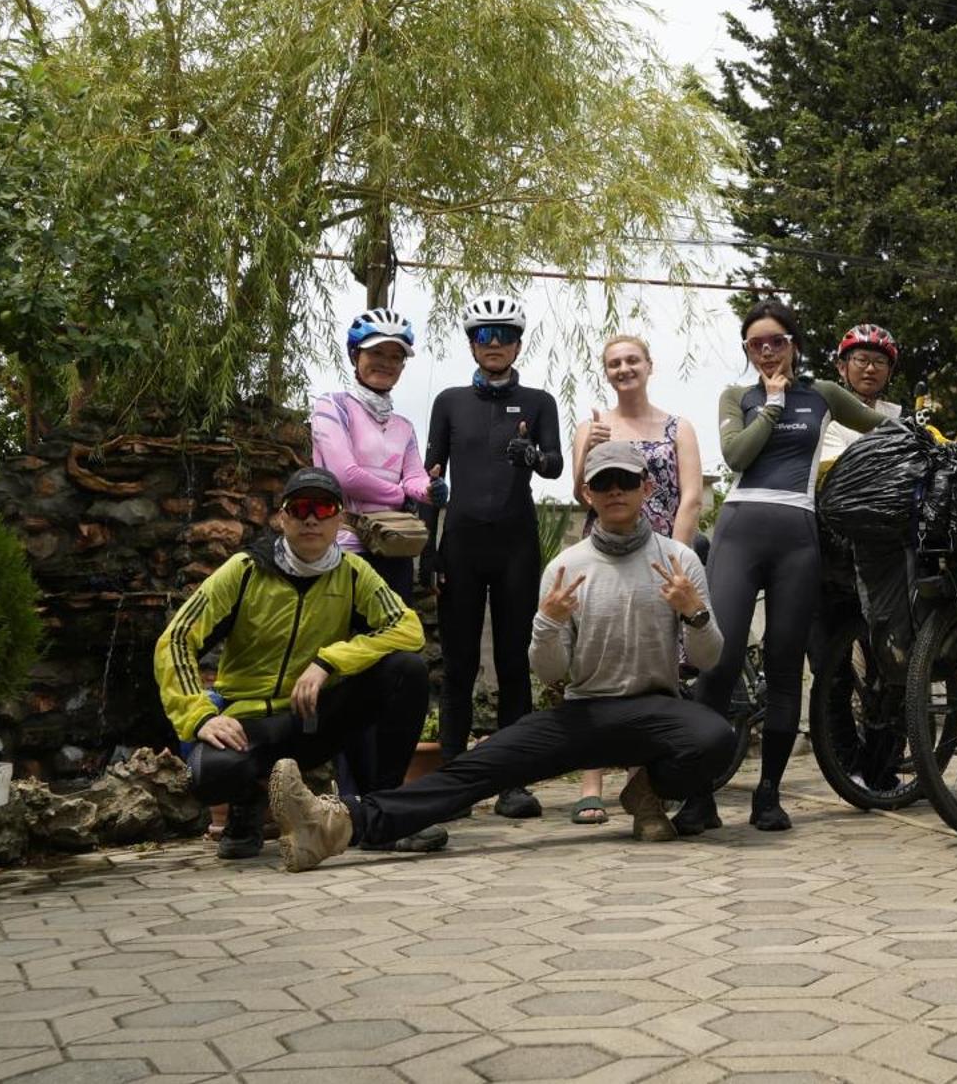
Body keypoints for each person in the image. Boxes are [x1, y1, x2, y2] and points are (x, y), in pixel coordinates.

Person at [266, 441, 737, 871]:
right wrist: (549, 621)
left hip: (654, 712)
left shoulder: (679, 560)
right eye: (602, 483)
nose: (616, 491)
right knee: (472, 771)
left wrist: (694, 614)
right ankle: (334, 824)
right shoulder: (567, 567)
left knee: (715, 737)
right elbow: (550, 671)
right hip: (583, 714)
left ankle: (649, 790)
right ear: (587, 494)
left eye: (626, 481)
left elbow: (709, 659)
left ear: (646, 487)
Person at [678, 300, 893, 836]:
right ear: (747, 351)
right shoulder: (740, 396)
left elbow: (879, 426)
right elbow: (736, 456)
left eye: (777, 340)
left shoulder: (821, 395)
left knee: (783, 665)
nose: (767, 351)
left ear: (795, 342)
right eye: (756, 344)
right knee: (719, 663)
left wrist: (942, 434)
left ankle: (768, 794)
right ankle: (699, 795)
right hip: (740, 529)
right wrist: (771, 406)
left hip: (798, 533)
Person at [154, 467, 442, 860]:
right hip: (248, 723)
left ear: (339, 519)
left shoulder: (354, 573)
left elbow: (407, 628)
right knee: (211, 774)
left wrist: (329, 661)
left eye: (323, 508)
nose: (311, 518)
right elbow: (176, 639)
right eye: (300, 507)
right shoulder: (245, 571)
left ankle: (385, 812)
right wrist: (201, 717)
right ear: (282, 518)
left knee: (406, 670)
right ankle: (246, 807)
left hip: (315, 718)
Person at [424, 293, 564, 818]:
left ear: (518, 343)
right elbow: (428, 478)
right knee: (457, 664)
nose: (495, 343)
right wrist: (428, 552)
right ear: (471, 344)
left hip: (516, 546)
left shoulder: (539, 402)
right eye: (484, 335)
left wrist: (532, 454)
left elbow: (553, 466)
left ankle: (513, 782)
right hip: (460, 544)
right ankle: (455, 781)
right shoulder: (449, 402)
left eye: (504, 334)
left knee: (512, 663)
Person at [566, 333, 705, 825]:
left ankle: (642, 782)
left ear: (650, 365)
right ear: (606, 372)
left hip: (661, 554)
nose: (623, 369)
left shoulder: (677, 426)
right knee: (594, 656)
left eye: (631, 360)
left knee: (655, 662)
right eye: (614, 363)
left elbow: (691, 496)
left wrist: (677, 557)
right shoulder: (594, 424)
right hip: (605, 552)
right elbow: (582, 490)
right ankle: (590, 783)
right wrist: (590, 451)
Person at [813, 324, 905, 793]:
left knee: (890, 664)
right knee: (832, 667)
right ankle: (846, 761)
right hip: (828, 551)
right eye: (860, 360)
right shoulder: (821, 413)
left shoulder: (901, 417)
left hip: (884, 553)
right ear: (841, 366)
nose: (869, 368)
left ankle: (885, 766)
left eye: (879, 361)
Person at [310, 308, 441, 602]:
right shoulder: (332, 406)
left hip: (393, 546)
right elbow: (345, 476)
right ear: (355, 355)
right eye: (376, 352)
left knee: (393, 641)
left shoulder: (403, 426)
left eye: (396, 357)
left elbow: (414, 477)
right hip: (343, 546)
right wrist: (401, 496)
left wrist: (430, 491)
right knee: (340, 643)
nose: (386, 363)